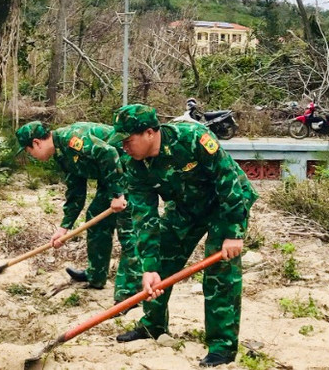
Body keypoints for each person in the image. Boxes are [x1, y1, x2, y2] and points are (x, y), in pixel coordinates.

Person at [107, 104, 258, 367]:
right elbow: (145, 217)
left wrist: (234, 232)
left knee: (220, 272)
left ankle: (222, 347)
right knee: (162, 263)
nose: (125, 147)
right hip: (186, 207)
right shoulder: (135, 165)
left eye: (128, 140)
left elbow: (228, 179)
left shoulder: (191, 138)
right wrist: (149, 267)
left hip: (225, 204)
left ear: (150, 133)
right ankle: (152, 325)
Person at [15, 121, 140, 304]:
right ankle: (96, 275)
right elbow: (76, 190)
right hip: (111, 178)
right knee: (95, 218)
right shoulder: (60, 153)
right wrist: (64, 227)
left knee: (127, 230)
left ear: (36, 143)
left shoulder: (72, 139)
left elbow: (109, 153)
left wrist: (118, 194)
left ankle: (129, 293)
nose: (32, 156)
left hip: (130, 171)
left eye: (29, 151)